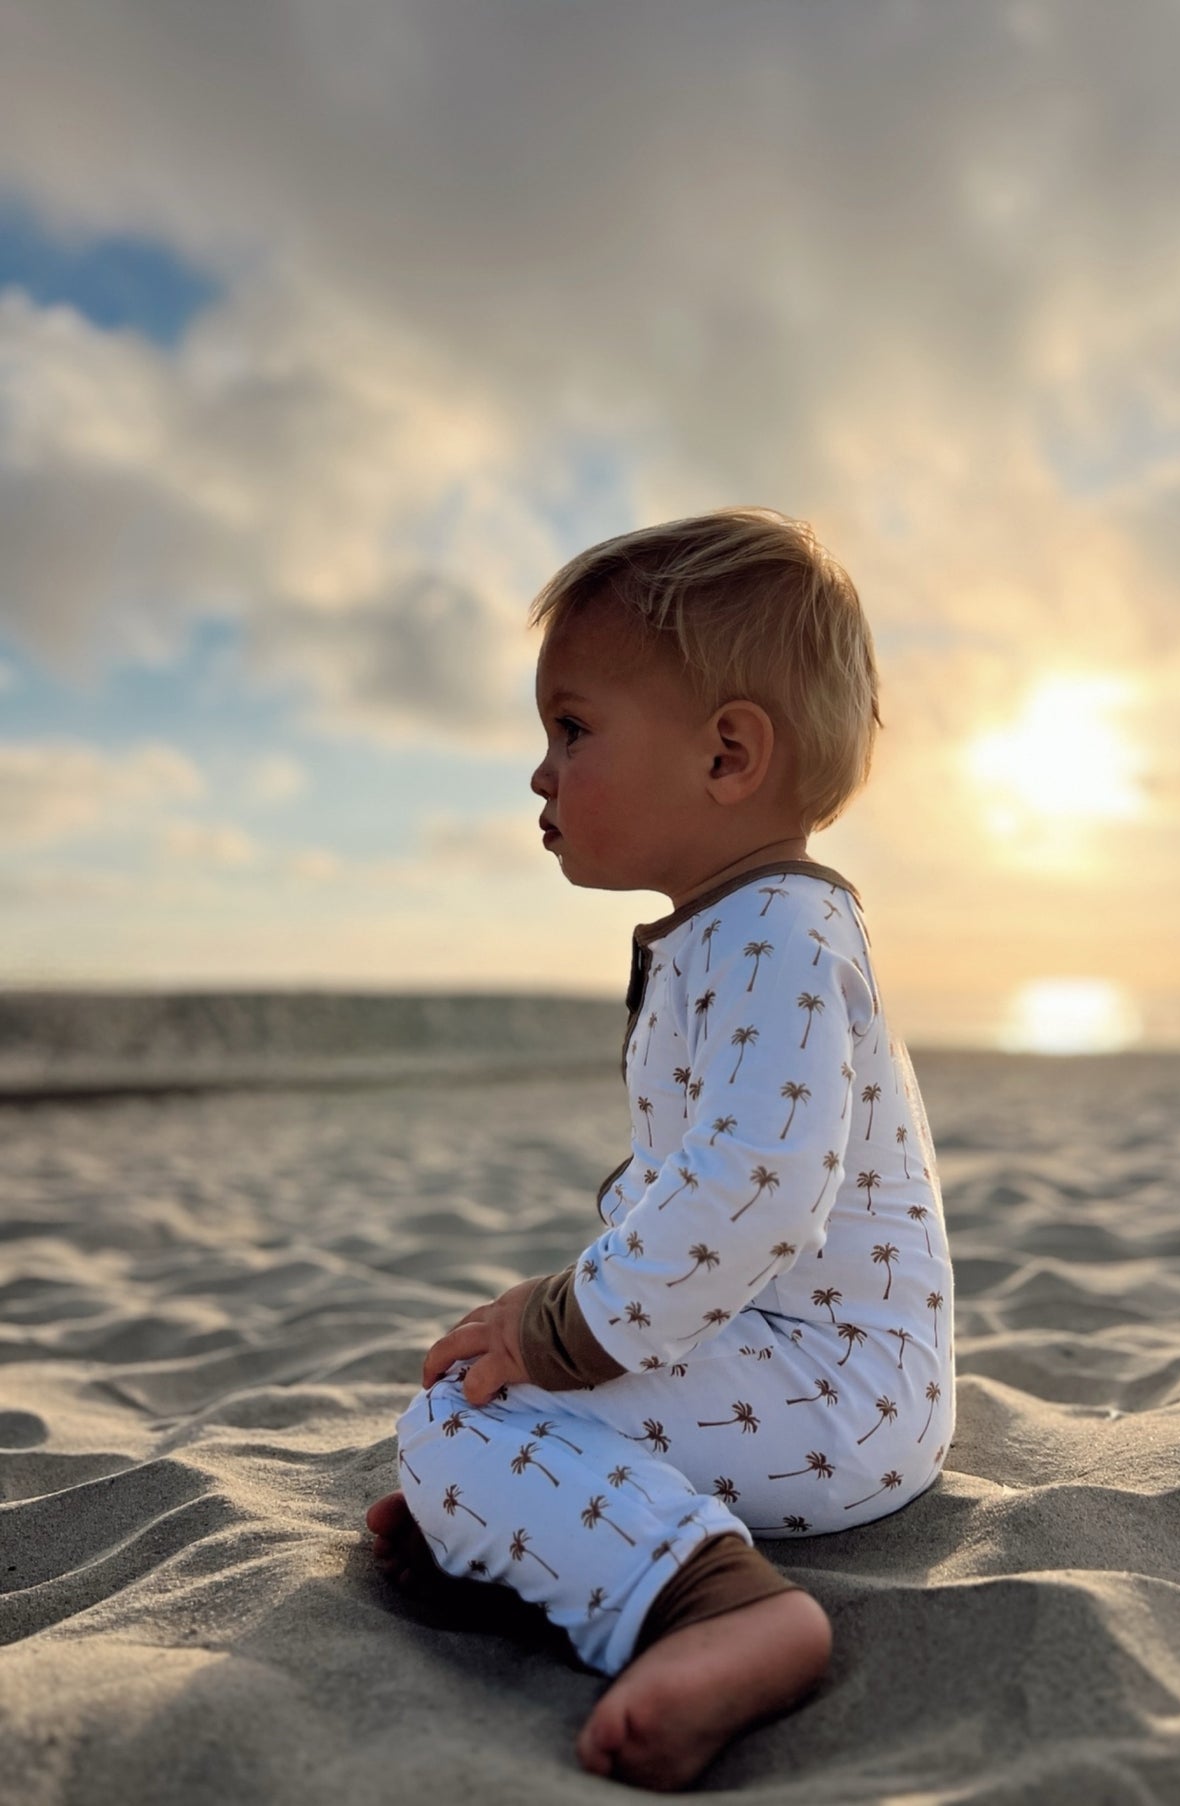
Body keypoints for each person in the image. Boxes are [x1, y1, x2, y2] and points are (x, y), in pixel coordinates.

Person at [366, 506, 955, 1790]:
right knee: (483, 1394)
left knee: (462, 1415)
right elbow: (708, 1193)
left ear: (728, 754)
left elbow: (752, 1191)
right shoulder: (741, 928)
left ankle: (724, 1609)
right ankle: (529, 1537)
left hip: (839, 1396)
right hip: (825, 1372)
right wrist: (556, 1320)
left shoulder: (773, 940)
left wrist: (561, 1329)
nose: (540, 772)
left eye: (571, 730)